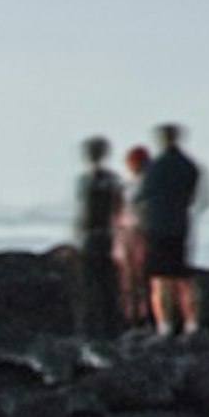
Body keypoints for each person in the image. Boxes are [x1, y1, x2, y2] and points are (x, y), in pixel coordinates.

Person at [135, 122, 209, 337]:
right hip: (180, 223)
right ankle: (191, 322)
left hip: (156, 225)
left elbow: (141, 196)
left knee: (159, 279)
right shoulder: (190, 166)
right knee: (183, 276)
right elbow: (199, 199)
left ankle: (165, 325)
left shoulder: (153, 167)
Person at [71, 137, 123, 339]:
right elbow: (118, 208)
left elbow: (83, 211)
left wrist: (77, 235)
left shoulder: (86, 180)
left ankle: (92, 329)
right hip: (108, 234)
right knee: (108, 284)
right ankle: (110, 328)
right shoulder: (113, 180)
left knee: (91, 284)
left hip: (92, 235)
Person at [117, 143, 154, 328]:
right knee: (131, 277)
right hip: (130, 232)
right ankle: (135, 314)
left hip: (138, 232)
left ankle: (140, 315)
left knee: (139, 276)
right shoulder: (128, 186)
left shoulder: (141, 186)